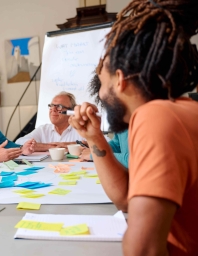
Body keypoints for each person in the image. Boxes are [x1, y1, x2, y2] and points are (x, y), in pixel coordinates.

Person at [69, 0, 198, 255]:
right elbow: (128, 197)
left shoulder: (157, 117)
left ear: (119, 80)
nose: (101, 96)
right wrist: (94, 138)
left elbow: (143, 249)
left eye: (101, 82)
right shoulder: (178, 110)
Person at [74, 74, 129, 210]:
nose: (101, 95)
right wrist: (95, 143)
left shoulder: (148, 120)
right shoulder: (122, 119)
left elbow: (133, 159)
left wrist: (94, 151)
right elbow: (117, 145)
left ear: (120, 82)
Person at [15, 91, 84, 151]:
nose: (53, 109)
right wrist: (51, 147)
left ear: (71, 111)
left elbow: (92, 146)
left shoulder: (81, 130)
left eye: (59, 106)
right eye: (51, 105)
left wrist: (71, 144)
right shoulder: (43, 130)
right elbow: (19, 142)